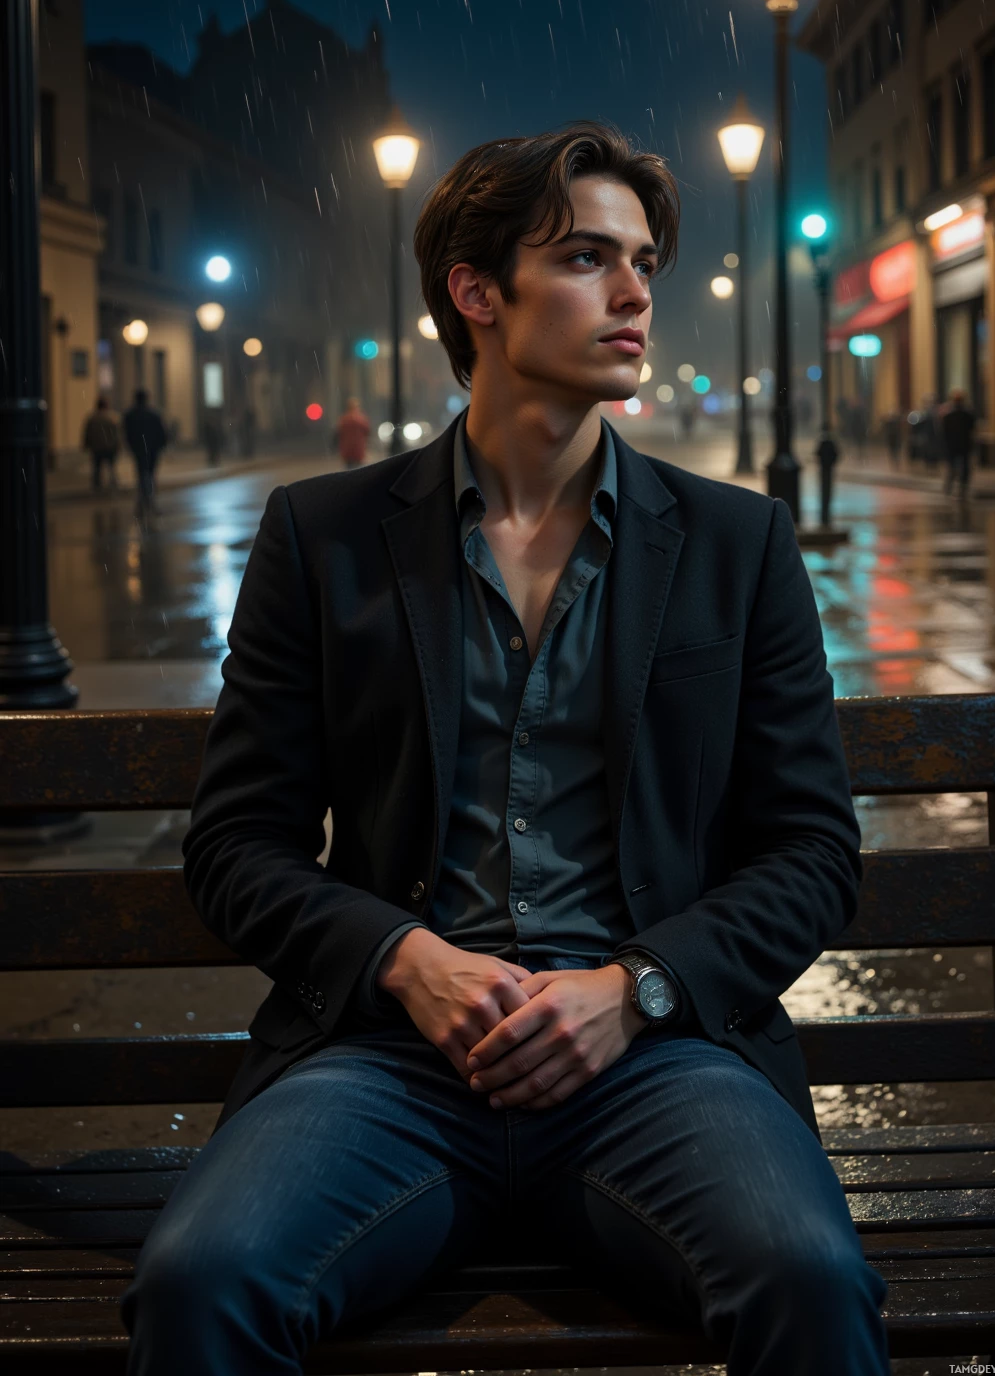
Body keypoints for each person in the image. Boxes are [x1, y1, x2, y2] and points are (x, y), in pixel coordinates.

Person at [121, 122, 887, 1375]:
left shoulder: (736, 544)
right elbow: (237, 847)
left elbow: (811, 852)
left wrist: (632, 989)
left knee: (808, 1282)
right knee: (203, 1286)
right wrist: (404, 961)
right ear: (477, 293)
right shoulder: (327, 537)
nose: (636, 289)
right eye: (589, 256)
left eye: (643, 260)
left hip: (659, 1065)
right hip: (387, 1067)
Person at [122, 389, 167, 519]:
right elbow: (161, 433)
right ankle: (150, 502)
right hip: (153, 450)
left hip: (139, 450)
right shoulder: (154, 414)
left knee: (141, 475)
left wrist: (131, 447)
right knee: (151, 475)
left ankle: (142, 503)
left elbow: (127, 434)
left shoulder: (130, 415)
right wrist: (160, 446)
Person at [941, 388, 977, 499]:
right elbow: (972, 429)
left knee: (953, 466)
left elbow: (944, 432)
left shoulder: (948, 416)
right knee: (962, 466)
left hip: (954, 445)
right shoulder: (967, 414)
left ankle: (951, 487)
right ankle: (960, 487)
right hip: (963, 445)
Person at [82, 395, 120, 491]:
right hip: (110, 447)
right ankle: (113, 482)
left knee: (97, 467)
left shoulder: (92, 418)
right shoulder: (113, 418)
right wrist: (118, 445)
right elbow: (116, 434)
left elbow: (87, 433)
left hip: (97, 447)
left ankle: (97, 485)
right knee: (111, 467)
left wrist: (86, 445)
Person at [335, 395, 371, 468]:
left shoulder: (344, 419)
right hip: (358, 449)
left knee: (349, 470)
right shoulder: (361, 419)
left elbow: (339, 432)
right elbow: (367, 431)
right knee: (359, 470)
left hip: (347, 449)